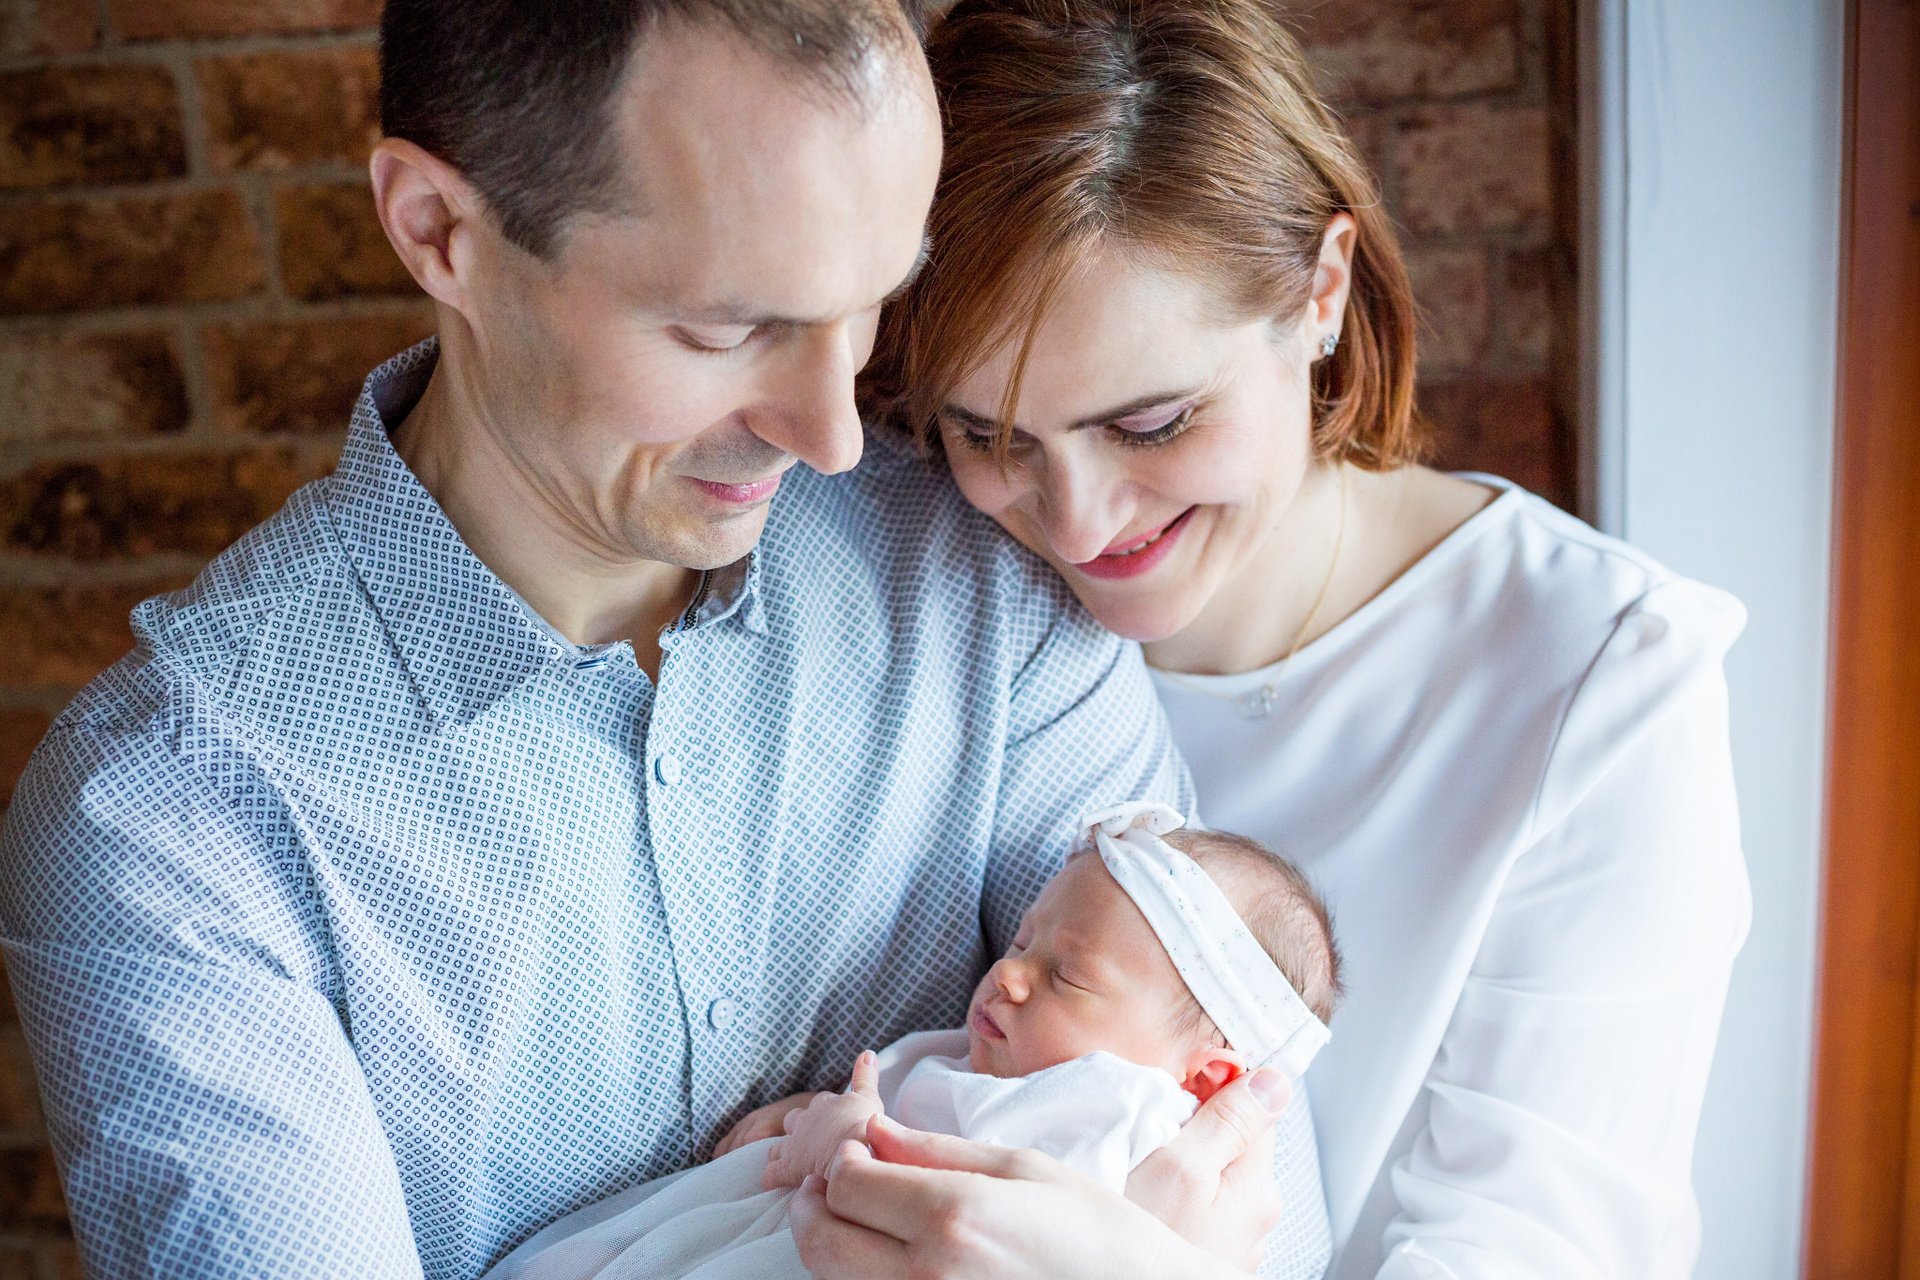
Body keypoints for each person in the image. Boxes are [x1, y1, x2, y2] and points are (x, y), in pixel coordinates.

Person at [0, 3, 1308, 1278]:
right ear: (440, 230)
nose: (834, 435)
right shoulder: (172, 819)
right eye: (729, 329)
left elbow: (1256, 1174)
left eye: (873, 306)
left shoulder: (983, 570)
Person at [828, 0, 1753, 1277]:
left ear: (1321, 290)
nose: (1077, 521)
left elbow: (1530, 1245)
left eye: (1151, 422)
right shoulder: (945, 599)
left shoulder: (1600, 678)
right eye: (991, 434)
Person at [482, 806, 1341, 1280]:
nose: (1009, 975)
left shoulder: (1123, 1115)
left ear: (1206, 1080)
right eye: (1020, 942)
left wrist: (838, 1134)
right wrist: (817, 1109)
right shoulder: (992, 1055)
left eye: (1066, 976)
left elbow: (954, 1205)